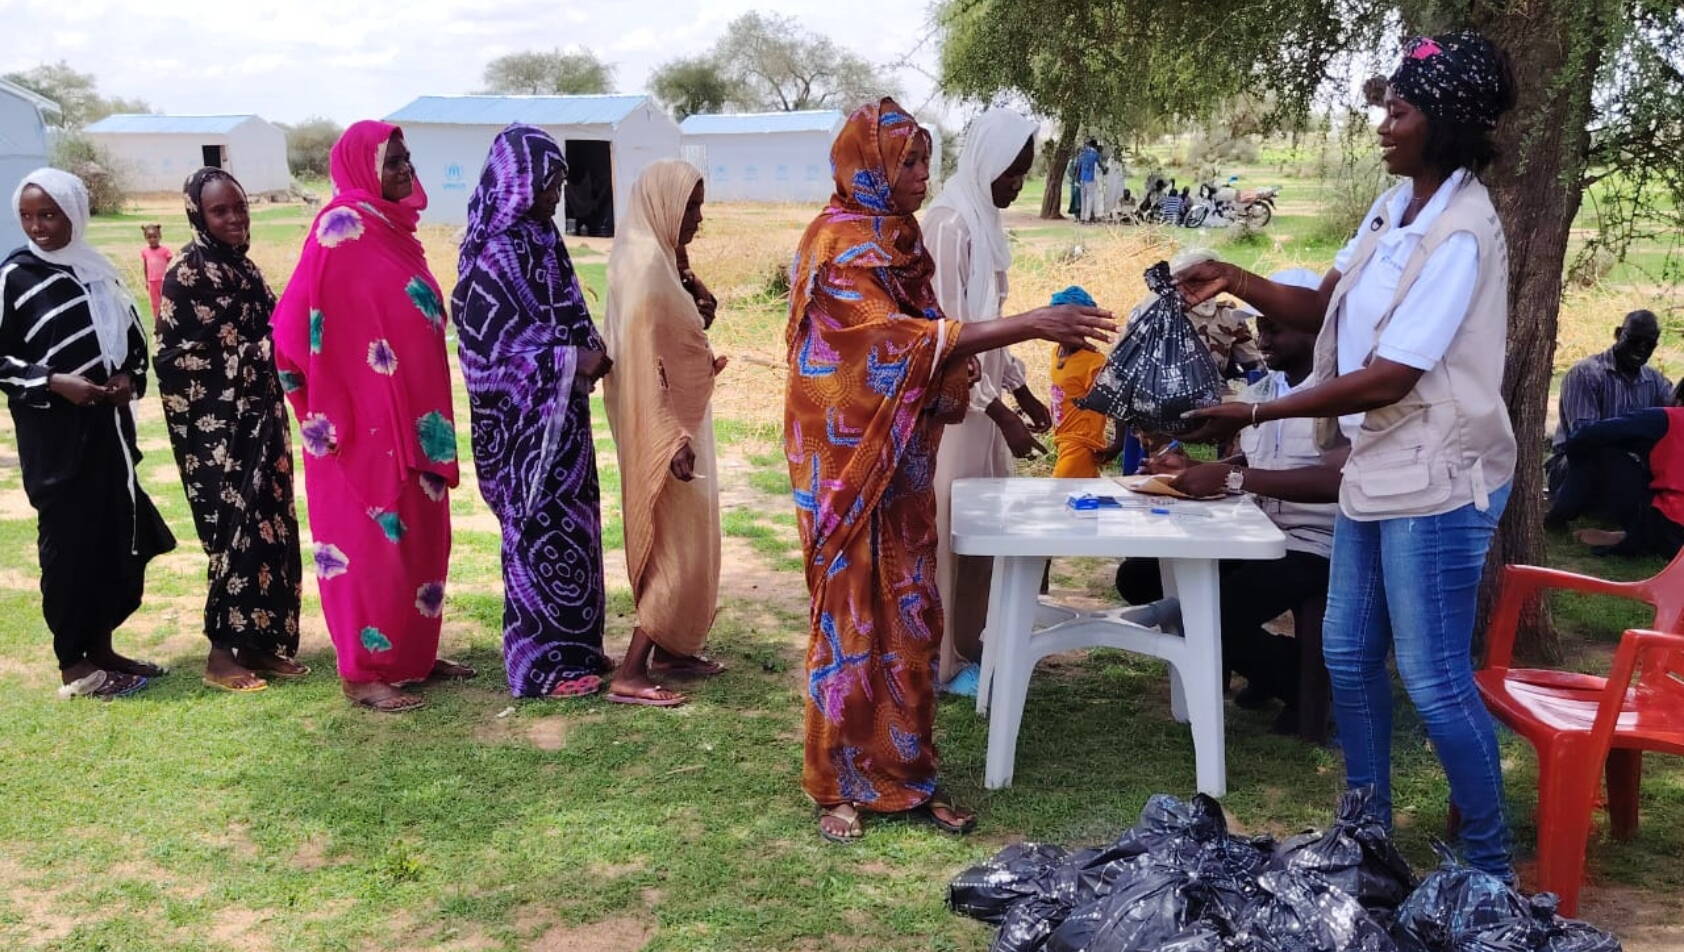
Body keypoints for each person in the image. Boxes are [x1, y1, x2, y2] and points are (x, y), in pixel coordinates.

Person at [1177, 31, 1520, 879]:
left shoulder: (1463, 234)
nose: (1383, 125)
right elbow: (1323, 305)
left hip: (1440, 475)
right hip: (1380, 465)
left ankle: (1490, 870)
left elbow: (1388, 375)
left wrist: (1256, 414)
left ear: (1441, 122)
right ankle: (1364, 836)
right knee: (1345, 655)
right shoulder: (1392, 208)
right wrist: (1235, 277)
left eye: (1398, 112)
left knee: (1436, 680)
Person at [785, 98, 1114, 843]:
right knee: (851, 616)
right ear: (863, 164)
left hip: (902, 455)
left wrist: (976, 382)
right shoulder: (836, 242)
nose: (918, 176)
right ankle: (839, 784)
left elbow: (936, 335)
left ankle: (905, 776)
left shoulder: (900, 238)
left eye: (924, 161)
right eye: (905, 162)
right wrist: (1029, 323)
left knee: (908, 609)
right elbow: (887, 342)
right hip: (848, 463)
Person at [273, 120, 470, 714]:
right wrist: (325, 411)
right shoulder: (342, 230)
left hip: (416, 421)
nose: (405, 170)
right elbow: (288, 330)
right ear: (362, 167)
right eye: (392, 162)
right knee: (369, 550)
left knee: (421, 543)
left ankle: (411, 657)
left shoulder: (394, 231)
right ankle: (363, 672)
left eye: (408, 159)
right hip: (358, 429)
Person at [1117, 305, 1344, 734]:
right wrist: (1188, 470)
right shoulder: (1266, 390)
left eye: (1274, 329)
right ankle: (1275, 664)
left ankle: (1302, 685)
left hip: (1314, 543)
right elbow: (1255, 459)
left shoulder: (1339, 398)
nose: (1262, 340)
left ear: (1314, 331)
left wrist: (1232, 475)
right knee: (1140, 577)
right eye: (1260, 329)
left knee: (1211, 612)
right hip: (1252, 531)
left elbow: (1336, 481)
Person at [452, 123, 613, 700]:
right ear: (519, 181)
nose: (556, 194)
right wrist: (571, 360)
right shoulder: (496, 252)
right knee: (535, 533)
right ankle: (540, 668)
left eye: (561, 183)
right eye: (548, 182)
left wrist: (589, 350)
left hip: (561, 421)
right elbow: (489, 353)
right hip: (523, 428)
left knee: (574, 530)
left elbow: (565, 312)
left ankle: (578, 649)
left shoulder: (543, 241)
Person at [3, 169, 175, 699]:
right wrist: (54, 382)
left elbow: (130, 340)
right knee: (70, 547)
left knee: (116, 539)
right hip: (56, 443)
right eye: (29, 216)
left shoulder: (95, 271)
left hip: (110, 436)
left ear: (75, 213)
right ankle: (74, 665)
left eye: (50, 214)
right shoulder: (15, 275)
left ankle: (101, 647)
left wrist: (126, 378)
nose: (39, 227)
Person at [157, 168, 306, 693]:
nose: (234, 219)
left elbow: (273, 328)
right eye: (221, 210)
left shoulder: (243, 270)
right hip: (217, 436)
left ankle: (260, 645)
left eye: (239, 207)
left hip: (262, 422)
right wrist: (257, 355)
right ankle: (221, 655)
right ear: (198, 213)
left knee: (271, 527)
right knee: (233, 535)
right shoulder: (188, 272)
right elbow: (178, 358)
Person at [925, 106, 1054, 686]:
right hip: (956, 414)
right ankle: (941, 657)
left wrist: (1020, 391)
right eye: (1010, 172)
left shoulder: (984, 223)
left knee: (983, 537)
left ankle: (972, 645)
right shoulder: (949, 225)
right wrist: (1001, 413)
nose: (1016, 184)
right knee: (949, 535)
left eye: (1024, 173)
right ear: (985, 163)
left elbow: (993, 324)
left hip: (986, 411)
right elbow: (949, 337)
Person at [603, 159, 728, 707]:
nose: (697, 218)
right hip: (669, 428)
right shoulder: (646, 264)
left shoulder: (656, 256)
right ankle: (631, 671)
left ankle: (675, 649)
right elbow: (642, 360)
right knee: (673, 540)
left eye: (699, 206)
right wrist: (670, 435)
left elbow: (676, 334)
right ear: (664, 205)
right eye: (690, 208)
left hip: (683, 415)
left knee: (692, 536)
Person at [1545, 309, 1672, 493]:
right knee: (1604, 457)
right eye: (1635, 340)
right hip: (1574, 464)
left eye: (1649, 344)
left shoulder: (1656, 381)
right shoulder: (1586, 373)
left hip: (1629, 464)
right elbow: (1583, 436)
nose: (1641, 348)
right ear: (1619, 333)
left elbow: (1675, 421)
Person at [1548, 405, 1684, 558]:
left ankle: (1558, 516)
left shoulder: (1667, 418)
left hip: (1669, 526)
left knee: (1594, 450)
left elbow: (1587, 435)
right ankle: (1632, 535)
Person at [1048, 286, 1123, 478]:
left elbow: (1117, 402)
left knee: (1058, 495)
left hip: (1081, 444)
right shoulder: (1056, 353)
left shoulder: (1093, 363)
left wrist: (1118, 444)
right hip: (1063, 441)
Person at [139, 223, 171, 320]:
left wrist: (170, 279)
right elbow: (145, 267)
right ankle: (158, 322)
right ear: (145, 238)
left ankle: (167, 319)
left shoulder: (165, 251)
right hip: (152, 282)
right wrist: (146, 281)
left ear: (160, 237)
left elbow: (171, 265)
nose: (152, 239)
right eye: (149, 237)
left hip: (163, 281)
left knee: (166, 301)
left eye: (155, 237)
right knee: (155, 304)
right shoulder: (145, 252)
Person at [1076, 138, 1103, 223]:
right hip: (1090, 178)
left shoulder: (1083, 153)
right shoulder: (1095, 154)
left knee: (1083, 199)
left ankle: (1082, 218)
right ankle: (1087, 218)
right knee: (1090, 198)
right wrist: (1105, 170)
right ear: (1095, 146)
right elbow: (1100, 164)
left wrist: (1077, 178)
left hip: (1082, 178)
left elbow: (1078, 167)